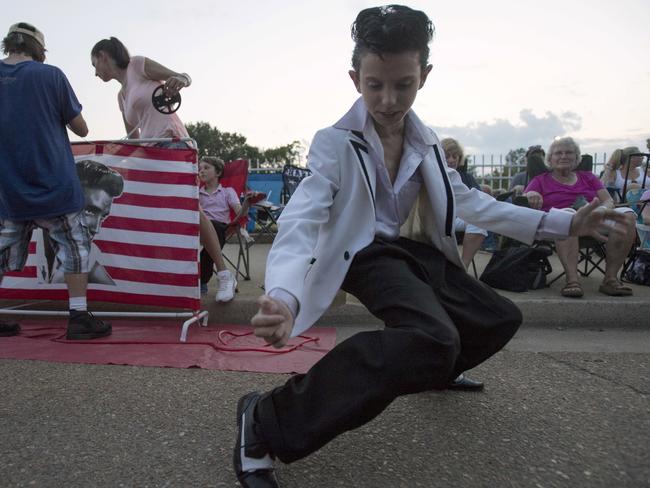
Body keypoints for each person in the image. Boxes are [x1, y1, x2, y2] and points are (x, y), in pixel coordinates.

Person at [232, 6, 632, 486]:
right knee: (432, 338)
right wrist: (285, 294)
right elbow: (302, 217)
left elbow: (470, 201)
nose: (388, 99)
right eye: (374, 84)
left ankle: (431, 370)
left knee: (499, 318)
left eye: (404, 84)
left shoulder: (428, 142)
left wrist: (561, 223)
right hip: (364, 254)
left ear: (425, 75)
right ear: (354, 77)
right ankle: (266, 421)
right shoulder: (334, 143)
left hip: (414, 250)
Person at [90, 37, 236, 302]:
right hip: (150, 156)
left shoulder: (138, 65)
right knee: (159, 215)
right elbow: (132, 139)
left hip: (174, 143)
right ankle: (169, 277)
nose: (95, 72)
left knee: (192, 209)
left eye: (94, 64)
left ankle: (224, 275)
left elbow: (182, 77)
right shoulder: (120, 96)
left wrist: (181, 80)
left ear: (103, 56)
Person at [0, 22, 111, 339]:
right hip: (53, 183)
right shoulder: (51, 76)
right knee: (75, 246)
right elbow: (81, 128)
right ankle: (78, 317)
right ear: (39, 50)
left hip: (7, 187)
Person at [524, 137, 637, 298]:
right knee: (567, 215)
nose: (564, 156)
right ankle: (572, 281)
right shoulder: (540, 180)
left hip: (594, 220)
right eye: (558, 153)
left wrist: (602, 210)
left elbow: (608, 200)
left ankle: (610, 279)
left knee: (627, 215)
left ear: (577, 158)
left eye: (569, 152)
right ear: (550, 159)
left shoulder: (588, 177)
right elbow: (526, 195)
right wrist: (532, 194)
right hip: (560, 225)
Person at [42, 160, 124, 285]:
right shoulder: (25, 237)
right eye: (90, 212)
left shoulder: (85, 253)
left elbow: (116, 293)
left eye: (102, 218)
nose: (96, 229)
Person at [198, 156, 251, 296]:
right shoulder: (196, 193)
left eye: (206, 168)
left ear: (218, 172)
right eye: (199, 169)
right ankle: (219, 278)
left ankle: (201, 281)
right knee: (207, 224)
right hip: (198, 229)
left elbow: (240, 213)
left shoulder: (228, 192)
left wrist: (247, 204)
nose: (201, 171)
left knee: (214, 227)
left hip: (223, 228)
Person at [440, 138, 488, 268]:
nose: (451, 160)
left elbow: (479, 201)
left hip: (459, 219)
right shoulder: (433, 175)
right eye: (447, 156)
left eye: (455, 156)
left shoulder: (467, 178)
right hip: (438, 219)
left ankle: (462, 267)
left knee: (479, 222)